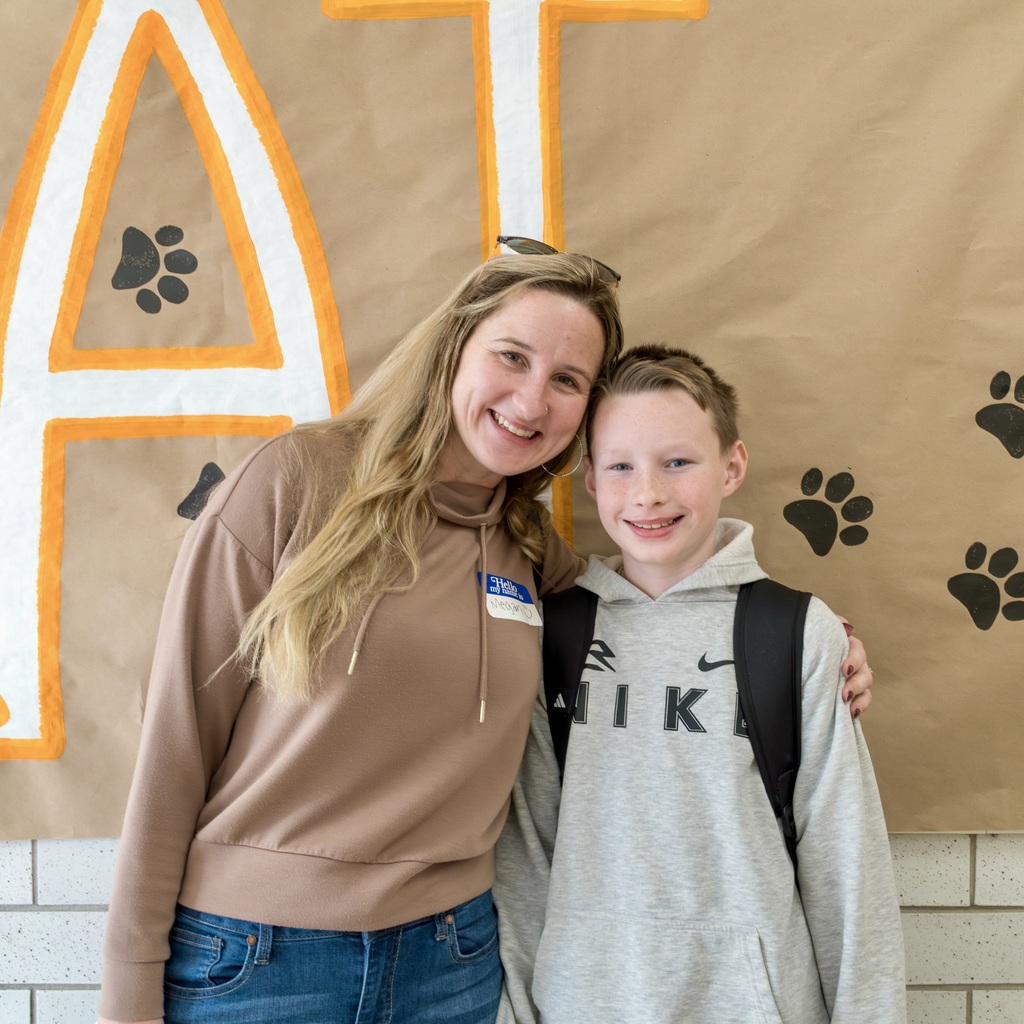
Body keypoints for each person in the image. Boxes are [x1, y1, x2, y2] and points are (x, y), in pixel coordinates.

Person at [97, 245, 873, 1024]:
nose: (532, 402)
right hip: (258, 958)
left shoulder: (531, 549)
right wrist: (128, 982)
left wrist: (813, 638)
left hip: (453, 963)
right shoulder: (293, 482)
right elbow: (174, 744)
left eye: (566, 381)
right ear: (452, 350)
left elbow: (654, 607)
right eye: (512, 357)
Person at [494, 345, 905, 1024]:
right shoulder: (550, 634)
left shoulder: (797, 633)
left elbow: (847, 867)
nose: (648, 492)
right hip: (584, 1002)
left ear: (732, 467)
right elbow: (525, 857)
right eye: (621, 466)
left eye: (677, 462)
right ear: (590, 479)